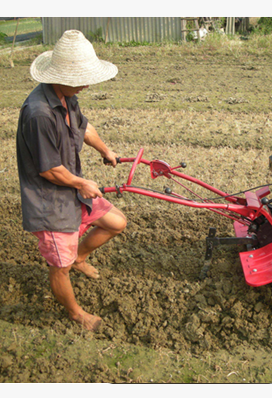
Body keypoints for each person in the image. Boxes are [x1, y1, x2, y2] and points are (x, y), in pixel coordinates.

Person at [16, 30, 127, 332]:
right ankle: (76, 313)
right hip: (50, 201)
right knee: (58, 267)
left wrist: (106, 150)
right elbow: (49, 170)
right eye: (81, 77)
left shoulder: (67, 97)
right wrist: (81, 183)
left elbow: (83, 127)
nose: (87, 83)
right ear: (60, 75)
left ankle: (79, 257)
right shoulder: (38, 113)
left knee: (116, 222)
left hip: (71, 192)